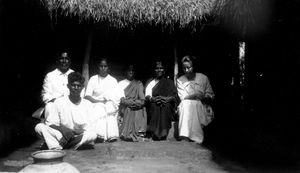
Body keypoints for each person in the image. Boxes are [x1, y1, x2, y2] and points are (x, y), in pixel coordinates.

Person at [35, 72, 97, 150]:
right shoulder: (59, 102)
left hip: (78, 135)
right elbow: (51, 123)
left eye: (78, 86)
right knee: (39, 127)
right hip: (62, 134)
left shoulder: (88, 104)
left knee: (92, 134)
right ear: (68, 86)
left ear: (82, 87)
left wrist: (74, 132)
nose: (76, 88)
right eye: (73, 85)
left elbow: (91, 127)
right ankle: (63, 146)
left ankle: (59, 145)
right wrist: (63, 129)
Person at [177, 55, 215, 144]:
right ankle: (184, 136)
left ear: (194, 67)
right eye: (184, 68)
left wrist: (205, 97)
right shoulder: (180, 80)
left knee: (196, 104)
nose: (186, 70)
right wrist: (195, 95)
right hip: (186, 105)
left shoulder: (203, 78)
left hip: (202, 105)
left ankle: (196, 136)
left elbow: (211, 94)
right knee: (186, 104)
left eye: (188, 68)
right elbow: (183, 97)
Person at [84, 58, 121, 142]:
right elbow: (87, 96)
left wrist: (109, 101)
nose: (103, 68)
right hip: (95, 103)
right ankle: (99, 135)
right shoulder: (93, 79)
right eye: (101, 66)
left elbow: (117, 96)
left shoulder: (113, 80)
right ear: (98, 67)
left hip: (110, 103)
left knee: (109, 108)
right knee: (99, 108)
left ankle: (112, 135)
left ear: (108, 68)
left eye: (105, 66)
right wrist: (99, 101)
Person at [145, 60, 179, 140]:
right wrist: (153, 99)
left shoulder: (169, 82)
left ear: (164, 70)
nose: (159, 70)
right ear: (154, 70)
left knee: (166, 106)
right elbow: (147, 96)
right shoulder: (151, 82)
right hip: (154, 103)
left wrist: (167, 99)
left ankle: (163, 132)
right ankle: (155, 133)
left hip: (167, 103)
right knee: (155, 106)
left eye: (161, 68)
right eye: (157, 68)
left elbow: (174, 96)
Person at [35, 52, 74, 120]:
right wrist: (57, 102)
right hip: (54, 106)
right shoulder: (50, 76)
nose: (64, 61)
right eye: (62, 58)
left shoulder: (75, 75)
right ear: (57, 61)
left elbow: (80, 93)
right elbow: (45, 95)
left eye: (67, 59)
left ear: (70, 61)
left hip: (71, 106)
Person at [119, 65, 147, 142]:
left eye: (133, 71)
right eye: (129, 70)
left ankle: (139, 132)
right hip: (125, 106)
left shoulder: (138, 83)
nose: (131, 72)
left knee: (141, 108)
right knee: (128, 108)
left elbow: (142, 99)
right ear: (126, 72)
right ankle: (126, 132)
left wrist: (136, 103)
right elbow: (121, 99)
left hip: (136, 105)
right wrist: (130, 102)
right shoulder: (121, 83)